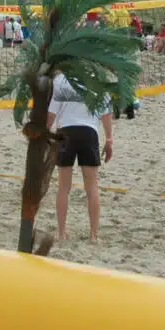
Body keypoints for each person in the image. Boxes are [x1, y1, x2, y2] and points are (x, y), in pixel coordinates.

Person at [47, 73, 114, 242]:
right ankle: (93, 235)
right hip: (89, 132)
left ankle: (62, 234)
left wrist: (44, 134)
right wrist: (109, 139)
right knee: (92, 187)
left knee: (64, 187)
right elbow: (106, 113)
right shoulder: (98, 78)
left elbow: (51, 113)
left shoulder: (61, 79)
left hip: (65, 132)